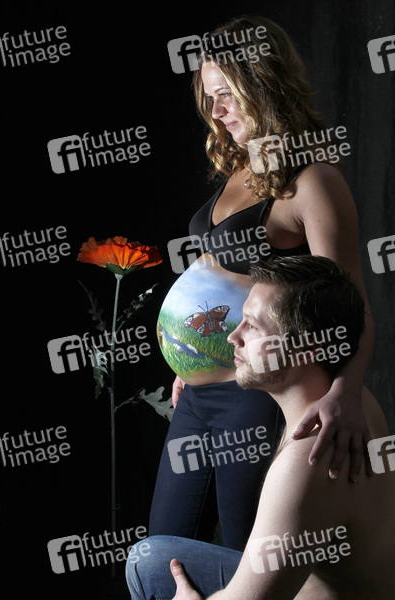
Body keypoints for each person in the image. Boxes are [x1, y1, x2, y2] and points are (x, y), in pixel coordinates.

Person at [151, 15, 374, 551]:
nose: (216, 111)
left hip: (254, 396)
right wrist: (191, 361)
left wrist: (345, 392)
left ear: (263, 84)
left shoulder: (312, 181)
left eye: (227, 94)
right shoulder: (239, 169)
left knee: (246, 552)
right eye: (210, 98)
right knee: (162, 549)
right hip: (197, 393)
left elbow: (353, 305)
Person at [127, 256, 394, 600]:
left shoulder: (305, 459)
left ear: (306, 348)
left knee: (145, 563)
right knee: (155, 558)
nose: (232, 337)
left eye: (251, 326)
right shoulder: (353, 404)